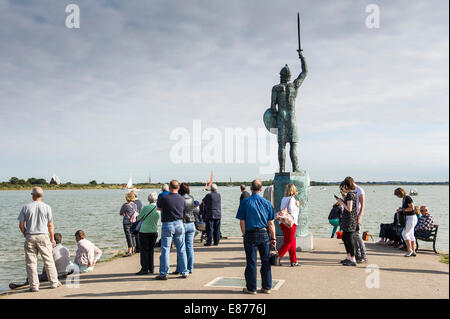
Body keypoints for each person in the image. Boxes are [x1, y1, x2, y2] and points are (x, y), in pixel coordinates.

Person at [236, 179, 276, 295]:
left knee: (251, 261)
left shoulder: (245, 202)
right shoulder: (267, 203)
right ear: (261, 189)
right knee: (266, 261)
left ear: (251, 189)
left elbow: (242, 221)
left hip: (250, 233)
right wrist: (273, 238)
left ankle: (251, 288)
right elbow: (271, 223)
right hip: (264, 233)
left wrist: (244, 234)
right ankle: (267, 287)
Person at [17, 187, 61, 292]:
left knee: (31, 262)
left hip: (30, 235)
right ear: (42, 195)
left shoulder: (25, 207)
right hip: (44, 236)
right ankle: (54, 282)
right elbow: (50, 225)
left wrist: (25, 234)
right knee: (48, 260)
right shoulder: (47, 207)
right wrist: (52, 238)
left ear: (32, 195)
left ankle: (34, 286)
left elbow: (21, 225)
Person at [9, 233, 73, 290]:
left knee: (30, 277)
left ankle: (22, 286)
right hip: (64, 273)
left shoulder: (51, 250)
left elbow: (46, 266)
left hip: (57, 275)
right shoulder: (66, 249)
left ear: (52, 240)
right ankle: (23, 285)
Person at [155, 180, 189, 280]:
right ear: (178, 188)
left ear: (170, 187)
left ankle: (164, 273)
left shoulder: (164, 197)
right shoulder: (182, 199)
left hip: (167, 224)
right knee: (181, 249)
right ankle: (184, 271)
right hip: (179, 223)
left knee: (165, 249)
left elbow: (158, 207)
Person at [344, 177, 367, 263]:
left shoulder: (359, 190)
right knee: (352, 236)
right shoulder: (350, 191)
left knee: (357, 235)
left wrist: (359, 216)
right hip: (352, 216)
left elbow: (363, 204)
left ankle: (363, 255)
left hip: (357, 215)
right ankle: (357, 255)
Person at [135, 192, 160, 275]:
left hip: (144, 231)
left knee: (144, 250)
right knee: (151, 250)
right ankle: (151, 268)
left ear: (148, 199)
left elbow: (138, 218)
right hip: (154, 230)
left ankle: (144, 268)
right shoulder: (158, 208)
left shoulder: (146, 207)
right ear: (156, 199)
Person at [174, 183, 196, 275]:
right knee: (189, 247)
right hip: (191, 223)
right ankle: (190, 267)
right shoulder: (191, 198)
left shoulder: (179, 198)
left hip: (182, 223)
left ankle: (180, 268)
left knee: (180, 247)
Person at [277, 184, 300, 266]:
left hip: (283, 222)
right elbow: (290, 210)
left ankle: (294, 261)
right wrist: (297, 206)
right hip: (290, 223)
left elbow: (281, 208)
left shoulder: (284, 198)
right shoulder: (292, 199)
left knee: (292, 242)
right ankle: (277, 257)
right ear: (293, 190)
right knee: (289, 242)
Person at [336, 181, 358, 266]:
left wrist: (341, 202)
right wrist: (343, 199)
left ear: (346, 186)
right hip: (348, 219)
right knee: (345, 237)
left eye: (342, 187)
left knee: (349, 239)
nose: (341, 189)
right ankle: (349, 257)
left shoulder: (350, 195)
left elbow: (349, 208)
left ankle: (353, 259)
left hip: (349, 220)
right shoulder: (351, 194)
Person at [394, 187, 417, 257]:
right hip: (410, 217)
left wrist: (402, 210)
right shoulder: (404, 198)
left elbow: (412, 208)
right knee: (411, 234)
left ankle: (409, 250)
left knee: (405, 233)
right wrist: (401, 209)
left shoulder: (407, 198)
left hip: (411, 217)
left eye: (397, 195)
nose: (397, 196)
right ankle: (413, 251)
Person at [120, 191, 138, 257]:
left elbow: (121, 212)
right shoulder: (135, 205)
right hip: (134, 222)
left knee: (128, 236)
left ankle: (129, 251)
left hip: (127, 222)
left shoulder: (126, 205)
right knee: (133, 235)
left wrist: (123, 207)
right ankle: (133, 249)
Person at [132, 189, 143, 253]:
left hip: (135, 219)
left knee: (135, 235)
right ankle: (139, 247)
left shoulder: (133, 203)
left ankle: (137, 248)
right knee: (138, 234)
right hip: (139, 219)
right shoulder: (140, 201)